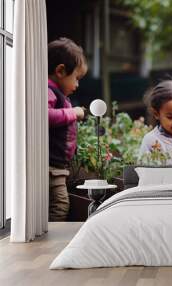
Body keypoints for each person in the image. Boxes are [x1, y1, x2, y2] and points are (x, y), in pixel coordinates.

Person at [48, 37, 88, 221]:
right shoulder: (48, 91)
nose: (77, 85)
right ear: (61, 71)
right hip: (50, 167)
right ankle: (49, 242)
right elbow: (45, 116)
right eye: (77, 78)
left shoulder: (58, 94)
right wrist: (74, 113)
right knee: (60, 204)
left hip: (58, 167)